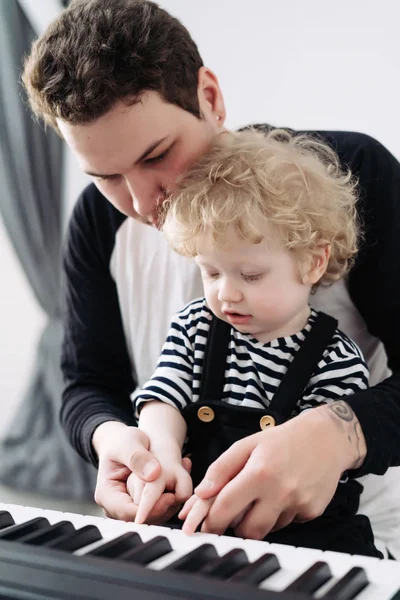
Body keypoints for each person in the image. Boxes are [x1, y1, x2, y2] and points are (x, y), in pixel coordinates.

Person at [22, 0, 400, 556]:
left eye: (157, 155)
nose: (142, 202)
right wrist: (113, 439)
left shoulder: (345, 177)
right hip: (188, 541)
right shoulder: (97, 225)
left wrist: (339, 433)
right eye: (106, 177)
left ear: (210, 98)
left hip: (356, 545)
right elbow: (88, 385)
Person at [130, 128, 382, 556]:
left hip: (306, 538)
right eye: (211, 272)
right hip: (196, 521)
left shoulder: (336, 358)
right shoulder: (195, 325)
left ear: (312, 262)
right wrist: (164, 455)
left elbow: (319, 470)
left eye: (250, 275)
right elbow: (163, 397)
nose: (226, 293)